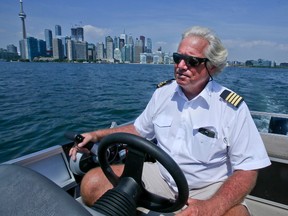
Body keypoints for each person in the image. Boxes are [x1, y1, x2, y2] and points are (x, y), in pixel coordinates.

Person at [69, 26, 271, 216]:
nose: (181, 66)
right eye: (178, 58)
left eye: (192, 61)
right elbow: (138, 130)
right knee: (92, 184)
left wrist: (211, 207)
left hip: (208, 187)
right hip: (162, 177)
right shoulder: (163, 94)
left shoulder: (230, 107)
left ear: (212, 67)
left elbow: (248, 169)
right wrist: (96, 135)